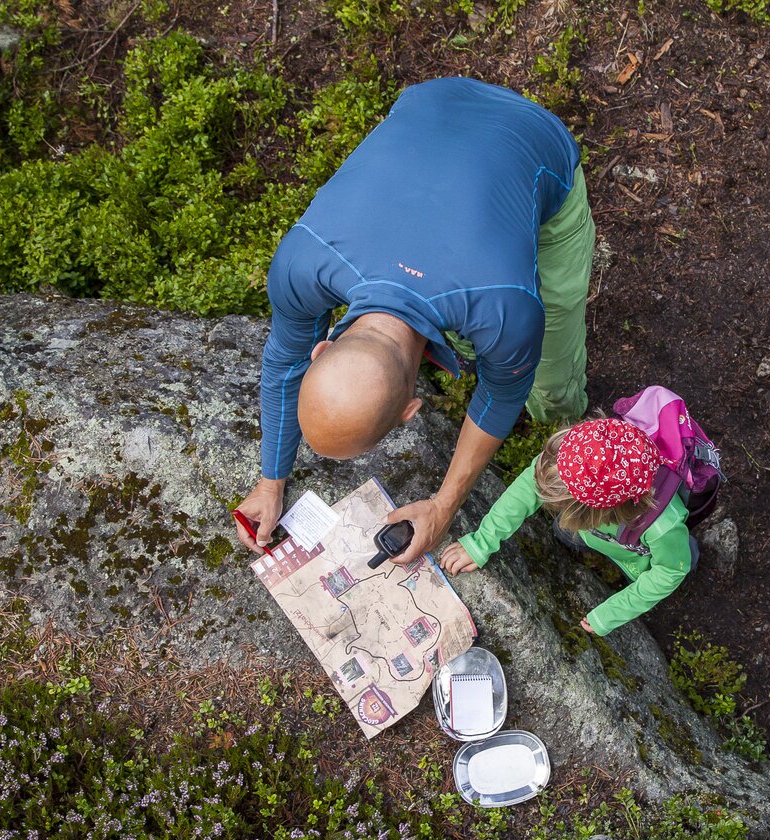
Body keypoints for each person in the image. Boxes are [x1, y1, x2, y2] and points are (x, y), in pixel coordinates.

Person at [234, 77, 596, 562]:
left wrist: (444, 507)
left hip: (537, 140)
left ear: (411, 407)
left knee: (550, 352)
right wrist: (270, 482)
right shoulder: (301, 262)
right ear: (320, 350)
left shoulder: (505, 309)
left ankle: (568, 430)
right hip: (433, 98)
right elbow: (284, 361)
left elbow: (500, 396)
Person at [440, 417, 698, 636]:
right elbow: (527, 487)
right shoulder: (578, 457)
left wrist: (611, 614)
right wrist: (481, 542)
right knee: (565, 533)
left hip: (643, 557)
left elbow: (668, 571)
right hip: (599, 535)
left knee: (687, 557)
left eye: (562, 504)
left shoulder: (664, 526)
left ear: (595, 512)